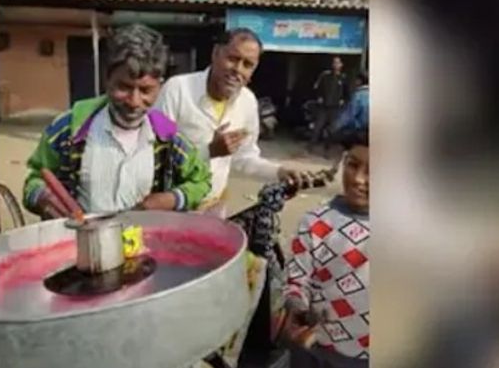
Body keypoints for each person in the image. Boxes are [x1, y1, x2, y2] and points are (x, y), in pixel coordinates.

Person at [23, 24, 212, 218]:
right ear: (107, 78)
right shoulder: (68, 129)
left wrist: (171, 199)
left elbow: (201, 181)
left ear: (160, 86)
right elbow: (34, 180)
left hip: (144, 244)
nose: (134, 102)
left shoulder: (168, 137)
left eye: (146, 90)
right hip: (79, 243)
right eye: (123, 87)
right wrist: (42, 197)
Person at [156, 28, 304, 218]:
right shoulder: (176, 90)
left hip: (214, 208)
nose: (238, 70)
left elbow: (244, 159)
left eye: (247, 65)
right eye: (233, 59)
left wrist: (279, 172)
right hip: (172, 208)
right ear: (215, 53)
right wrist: (210, 151)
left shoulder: (248, 102)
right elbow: (157, 157)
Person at [282, 129, 369, 368]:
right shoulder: (316, 223)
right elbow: (296, 281)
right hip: (319, 352)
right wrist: (298, 308)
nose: (359, 179)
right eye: (352, 165)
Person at [308, 56, 349, 157]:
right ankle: (310, 147)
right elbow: (317, 88)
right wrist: (319, 97)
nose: (335, 65)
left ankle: (327, 150)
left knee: (331, 130)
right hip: (323, 106)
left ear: (341, 65)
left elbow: (347, 93)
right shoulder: (325, 76)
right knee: (318, 127)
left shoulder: (343, 78)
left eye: (338, 63)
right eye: (334, 63)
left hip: (335, 108)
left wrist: (343, 101)